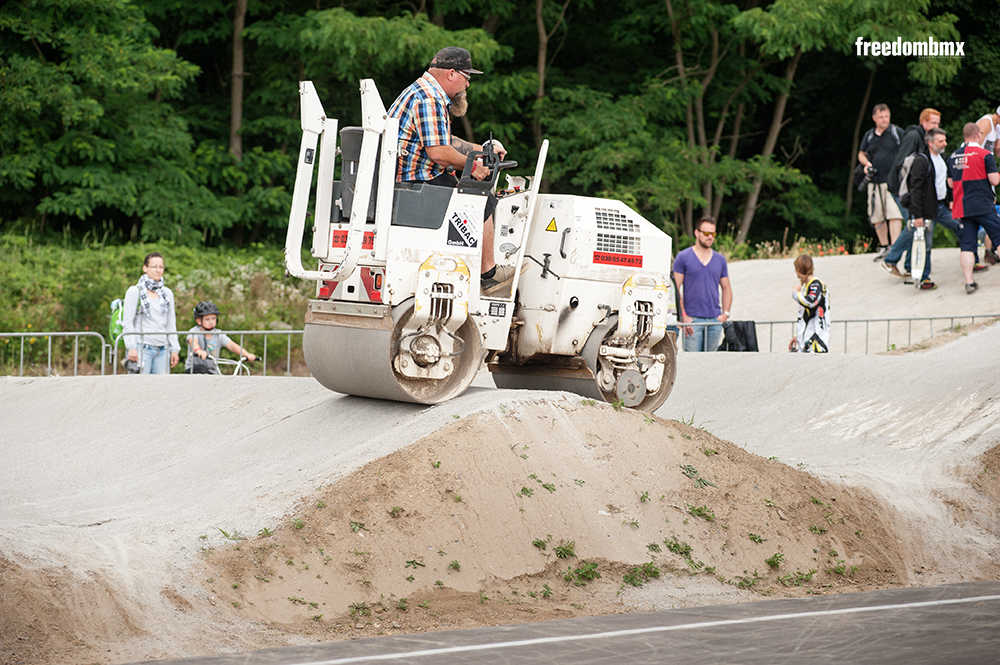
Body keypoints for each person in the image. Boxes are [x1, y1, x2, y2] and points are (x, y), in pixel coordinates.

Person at [388, 46, 514, 296]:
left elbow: (442, 140)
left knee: (466, 187)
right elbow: (438, 152)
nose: (467, 85)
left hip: (411, 179)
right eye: (467, 77)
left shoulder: (421, 91)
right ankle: (489, 275)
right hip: (416, 183)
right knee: (482, 200)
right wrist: (473, 165)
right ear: (452, 73)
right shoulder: (430, 98)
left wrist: (482, 149)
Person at [882, 128, 956, 290]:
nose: (945, 143)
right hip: (926, 209)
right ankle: (923, 278)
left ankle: (972, 260)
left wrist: (950, 200)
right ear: (930, 143)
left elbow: (946, 182)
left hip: (942, 206)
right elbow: (915, 189)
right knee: (925, 243)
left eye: (944, 140)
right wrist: (917, 215)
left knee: (960, 227)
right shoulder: (921, 161)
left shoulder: (942, 158)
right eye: (940, 141)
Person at [948, 123, 1000, 294]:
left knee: (967, 246)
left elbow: (950, 183)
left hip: (962, 206)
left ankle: (969, 282)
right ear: (978, 135)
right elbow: (994, 180)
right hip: (983, 204)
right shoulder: (985, 154)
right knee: (998, 237)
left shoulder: (953, 156)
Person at [673, 216, 732, 352]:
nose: (710, 237)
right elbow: (675, 289)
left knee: (711, 364)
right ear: (696, 233)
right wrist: (684, 316)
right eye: (706, 233)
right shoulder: (683, 257)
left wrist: (725, 314)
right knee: (693, 364)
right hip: (693, 320)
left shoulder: (720, 260)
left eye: (713, 234)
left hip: (715, 320)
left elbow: (727, 288)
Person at [858, 104, 904, 258]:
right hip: (874, 181)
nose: (884, 120)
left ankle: (895, 246)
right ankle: (884, 246)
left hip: (893, 182)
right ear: (874, 118)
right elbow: (861, 154)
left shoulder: (896, 132)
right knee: (877, 215)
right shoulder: (869, 135)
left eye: (886, 117)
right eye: (881, 117)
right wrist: (867, 164)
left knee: (894, 214)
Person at [122, 252, 180, 374]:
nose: (158, 270)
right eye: (154, 267)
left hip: (163, 349)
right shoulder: (135, 291)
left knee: (161, 388)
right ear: (145, 268)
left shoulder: (167, 293)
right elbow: (127, 321)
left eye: (161, 267)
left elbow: (171, 323)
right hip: (142, 347)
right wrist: (131, 347)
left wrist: (175, 348)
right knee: (140, 387)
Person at [185, 301, 256, 374]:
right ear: (199, 321)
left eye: (213, 318)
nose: (211, 322)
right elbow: (193, 341)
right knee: (202, 369)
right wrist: (198, 350)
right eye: (207, 319)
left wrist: (246, 354)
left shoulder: (218, 334)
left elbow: (232, 345)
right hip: (194, 369)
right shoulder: (194, 331)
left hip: (212, 371)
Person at [789, 254, 829, 353]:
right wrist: (796, 335)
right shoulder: (808, 285)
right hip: (805, 341)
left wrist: (795, 294)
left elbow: (811, 302)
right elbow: (804, 315)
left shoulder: (816, 284)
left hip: (815, 342)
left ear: (798, 270)